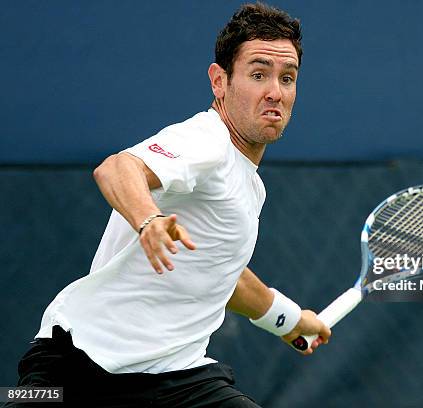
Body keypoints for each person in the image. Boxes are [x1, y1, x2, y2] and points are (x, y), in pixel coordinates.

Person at [6, 3, 330, 407]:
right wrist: (149, 220)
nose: (275, 92)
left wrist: (288, 320)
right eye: (258, 74)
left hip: (176, 378)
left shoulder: (248, 183)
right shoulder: (206, 141)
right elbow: (117, 168)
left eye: (288, 78)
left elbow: (223, 273)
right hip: (77, 364)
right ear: (220, 82)